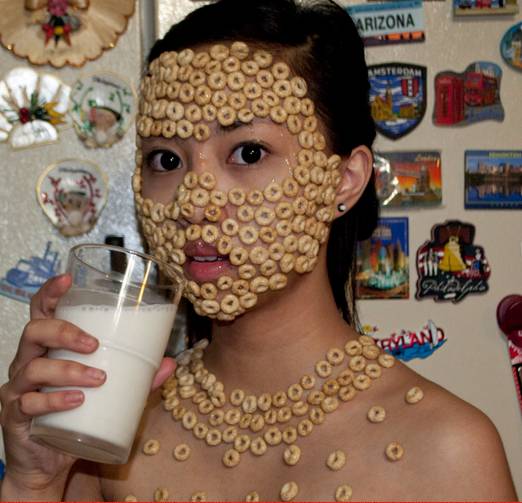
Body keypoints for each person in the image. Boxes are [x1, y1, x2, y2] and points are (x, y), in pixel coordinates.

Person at [0, 0, 517, 501]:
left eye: (248, 152)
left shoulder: (448, 451)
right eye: (165, 159)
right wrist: (34, 485)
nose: (194, 203)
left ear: (345, 180)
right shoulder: (103, 433)